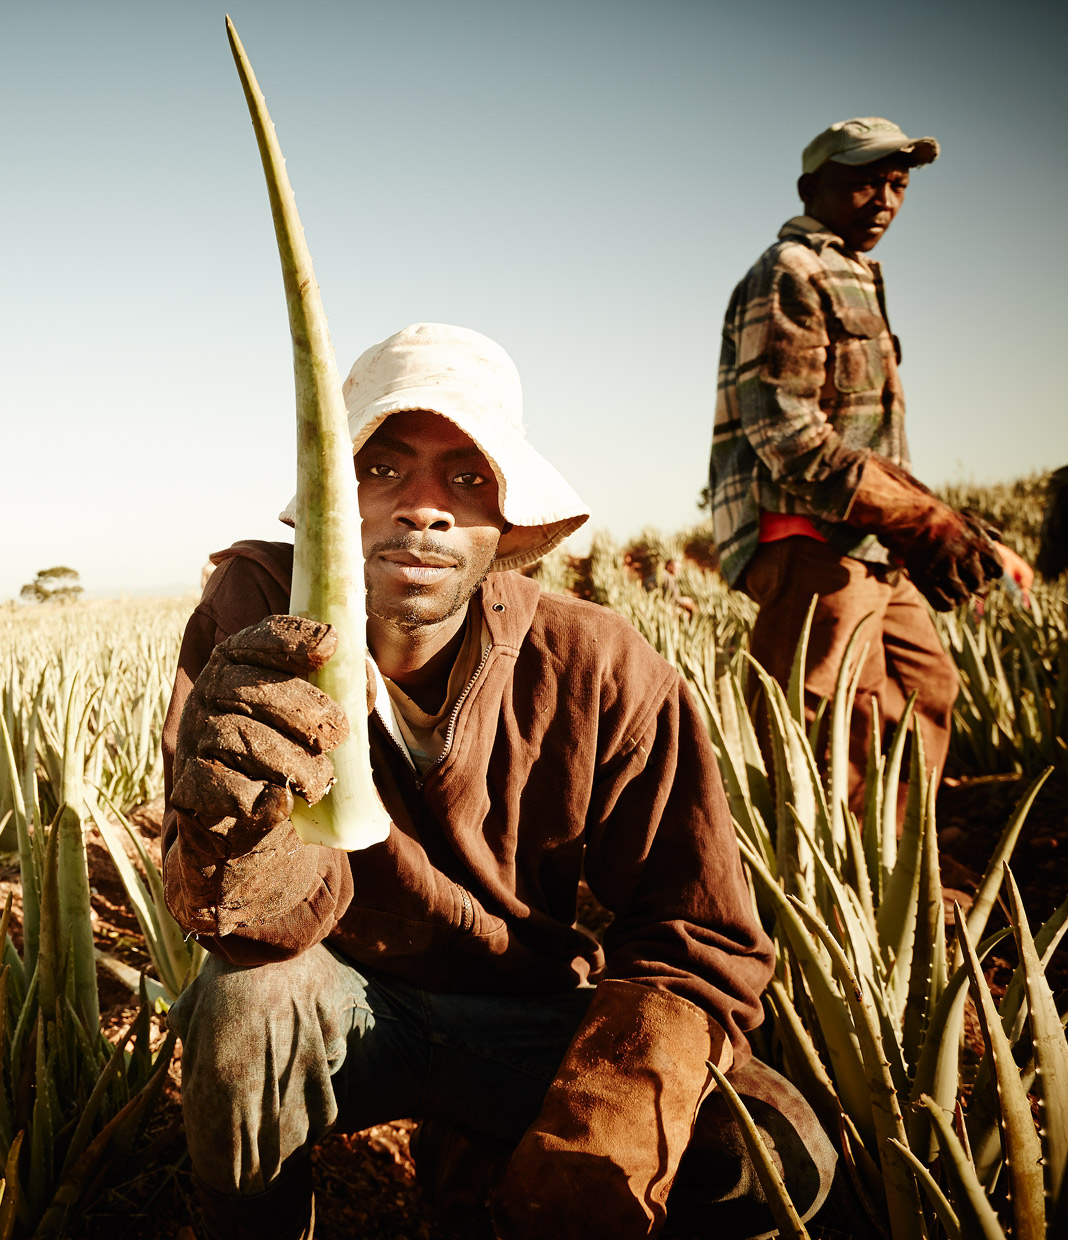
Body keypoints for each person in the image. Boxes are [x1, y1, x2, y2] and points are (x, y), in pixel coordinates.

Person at [165, 324, 834, 1240]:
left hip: (526, 1009)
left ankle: (479, 1157)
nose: (425, 509)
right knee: (243, 1009)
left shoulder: (596, 660)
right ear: (335, 498)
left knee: (771, 1144)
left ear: (504, 520)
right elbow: (243, 922)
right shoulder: (257, 621)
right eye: (383, 469)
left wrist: (598, 1139)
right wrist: (240, 840)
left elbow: (698, 940)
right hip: (341, 1004)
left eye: (467, 478)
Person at [706, 117, 1031, 794]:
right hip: (811, 539)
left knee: (924, 691)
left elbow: (868, 441)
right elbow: (787, 435)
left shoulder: (853, 274)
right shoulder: (789, 272)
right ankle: (831, 888)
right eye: (861, 182)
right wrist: (922, 522)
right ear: (810, 188)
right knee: (833, 722)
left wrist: (937, 522)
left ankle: (900, 879)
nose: (884, 198)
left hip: (873, 542)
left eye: (897, 184)